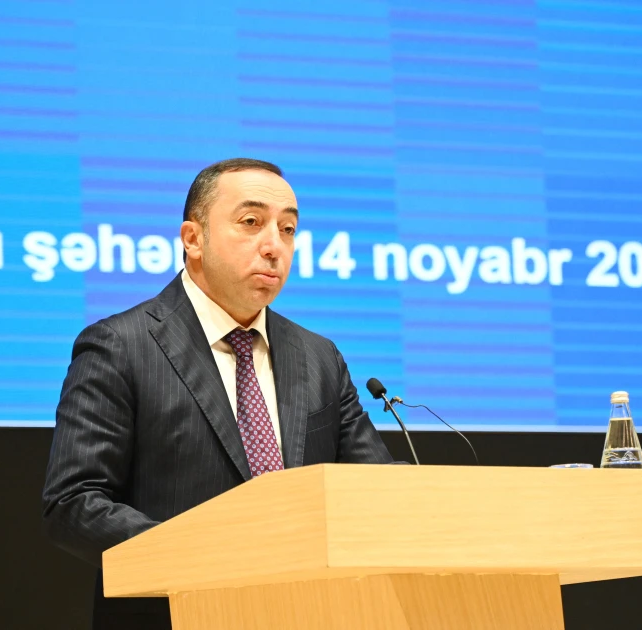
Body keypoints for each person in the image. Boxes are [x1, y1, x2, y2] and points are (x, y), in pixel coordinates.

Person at [41, 158, 395, 630]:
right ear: (193, 239)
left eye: (287, 229)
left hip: (309, 613)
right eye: (251, 222)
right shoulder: (120, 346)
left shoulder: (319, 357)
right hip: (176, 614)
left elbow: (375, 492)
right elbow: (73, 502)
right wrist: (208, 557)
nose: (274, 246)